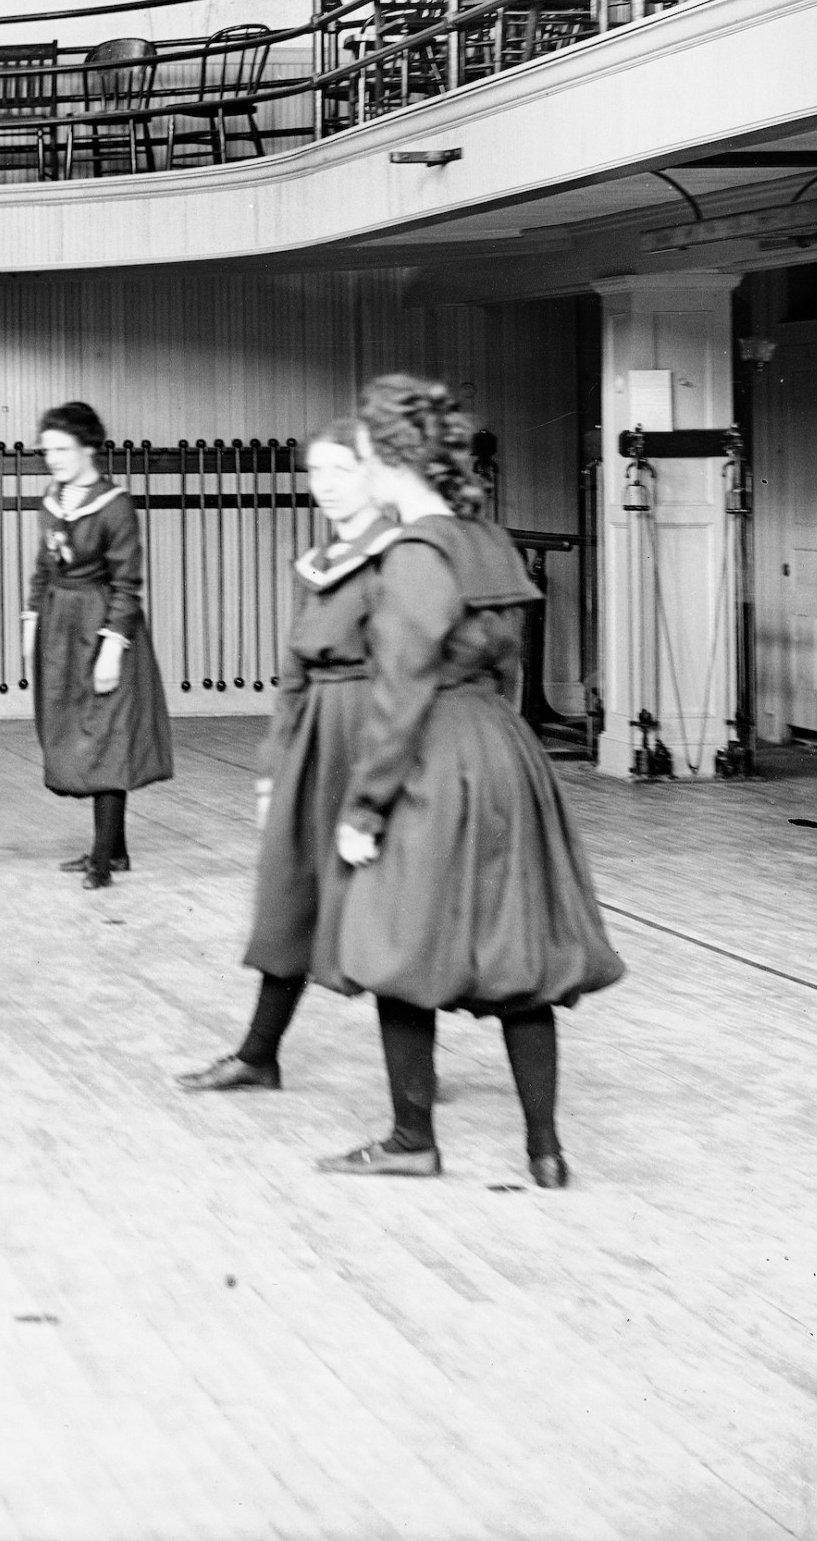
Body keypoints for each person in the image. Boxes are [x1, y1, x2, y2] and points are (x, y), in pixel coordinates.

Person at [314, 376, 623, 1188]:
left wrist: (364, 808)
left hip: (434, 757)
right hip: (505, 754)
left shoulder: (416, 553)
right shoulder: (486, 539)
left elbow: (403, 691)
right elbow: (509, 665)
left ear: (386, 458)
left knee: (395, 942)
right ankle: (545, 1150)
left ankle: (412, 1137)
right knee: (516, 952)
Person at [175, 420, 387, 1090]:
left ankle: (417, 1072)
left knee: (390, 905)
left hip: (375, 741)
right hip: (315, 744)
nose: (324, 486)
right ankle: (258, 1053)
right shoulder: (319, 562)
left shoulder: (398, 558)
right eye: (315, 472)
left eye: (339, 471)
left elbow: (408, 678)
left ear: (372, 473)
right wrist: (273, 765)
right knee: (290, 895)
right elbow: (294, 672)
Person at [23, 401, 173, 890]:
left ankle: (102, 861)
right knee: (76, 732)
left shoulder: (115, 506)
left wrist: (113, 647)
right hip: (61, 629)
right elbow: (44, 569)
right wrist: (31, 622)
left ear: (89, 448)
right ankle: (116, 849)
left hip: (101, 625)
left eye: (63, 449)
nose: (54, 458)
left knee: (106, 736)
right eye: (47, 450)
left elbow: (128, 584)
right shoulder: (53, 501)